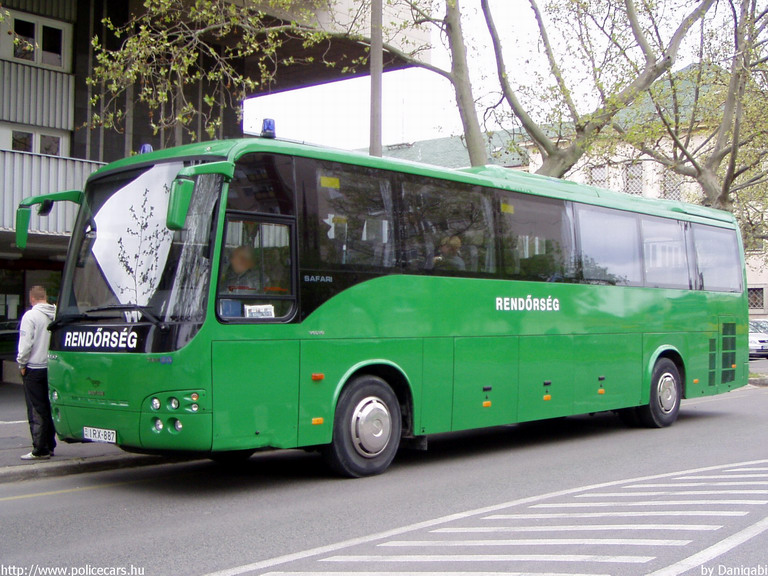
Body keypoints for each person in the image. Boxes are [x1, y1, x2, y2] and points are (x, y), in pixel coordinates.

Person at [16, 285, 57, 460]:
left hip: (34, 367)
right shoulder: (56, 314)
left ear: (32, 299)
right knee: (48, 406)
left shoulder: (30, 316)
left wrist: (21, 363)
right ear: (45, 297)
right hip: (52, 367)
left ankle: (40, 449)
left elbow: (26, 344)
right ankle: (50, 444)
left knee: (36, 409)